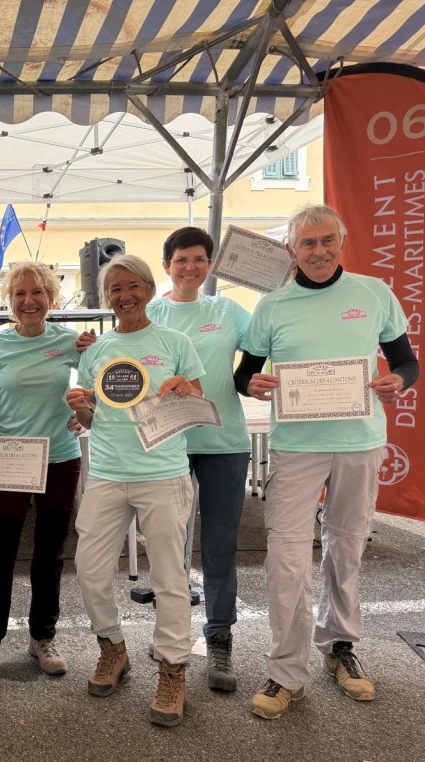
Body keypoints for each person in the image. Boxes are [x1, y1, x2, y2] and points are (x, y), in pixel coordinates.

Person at [234, 204, 419, 719]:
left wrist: (399, 380)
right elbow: (244, 373)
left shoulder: (373, 293)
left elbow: (406, 360)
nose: (318, 251)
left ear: (342, 241)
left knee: (347, 545)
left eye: (326, 241)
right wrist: (251, 383)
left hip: (359, 440)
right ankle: (286, 669)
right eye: (307, 243)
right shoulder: (272, 306)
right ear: (291, 250)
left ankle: (340, 646)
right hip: (296, 446)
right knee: (286, 556)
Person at [67, 254, 204, 727]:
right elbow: (89, 417)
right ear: (106, 297)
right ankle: (113, 647)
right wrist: (79, 405)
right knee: (89, 570)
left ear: (147, 289)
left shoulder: (175, 342)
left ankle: (172, 668)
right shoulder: (97, 351)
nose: (124, 296)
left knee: (169, 577)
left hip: (163, 472)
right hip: (107, 472)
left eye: (132, 287)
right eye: (115, 289)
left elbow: (196, 402)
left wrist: (185, 389)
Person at [0, 262, 92, 693]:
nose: (28, 301)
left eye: (37, 293)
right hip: (8, 458)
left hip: (60, 457)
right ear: (10, 300)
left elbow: (95, 389)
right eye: (19, 293)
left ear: (51, 298)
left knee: (50, 554)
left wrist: (84, 413)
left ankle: (42, 637)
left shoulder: (72, 342)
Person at [146, 226, 251, 692]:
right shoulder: (150, 312)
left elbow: (267, 346)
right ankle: (171, 636)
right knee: (168, 543)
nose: (190, 267)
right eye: (181, 259)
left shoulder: (228, 311)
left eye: (199, 260)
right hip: (168, 443)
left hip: (224, 441)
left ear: (211, 265)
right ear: (167, 265)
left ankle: (220, 637)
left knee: (220, 544)